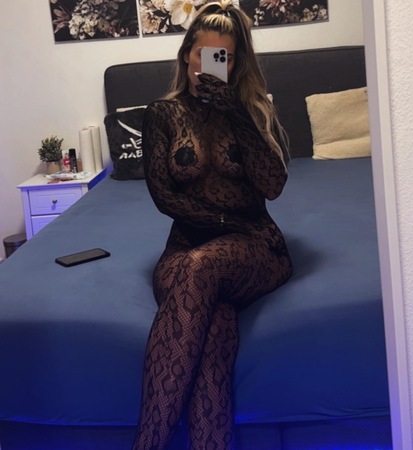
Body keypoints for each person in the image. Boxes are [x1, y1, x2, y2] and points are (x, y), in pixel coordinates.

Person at [132, 1, 292, 448]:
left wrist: (237, 114)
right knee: (214, 321)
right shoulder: (162, 114)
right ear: (187, 53)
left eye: (224, 58)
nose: (209, 67)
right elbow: (164, 198)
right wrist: (224, 219)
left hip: (253, 248)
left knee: (200, 269)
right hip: (187, 245)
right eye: (203, 54)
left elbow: (273, 186)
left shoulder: (253, 110)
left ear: (236, 63)